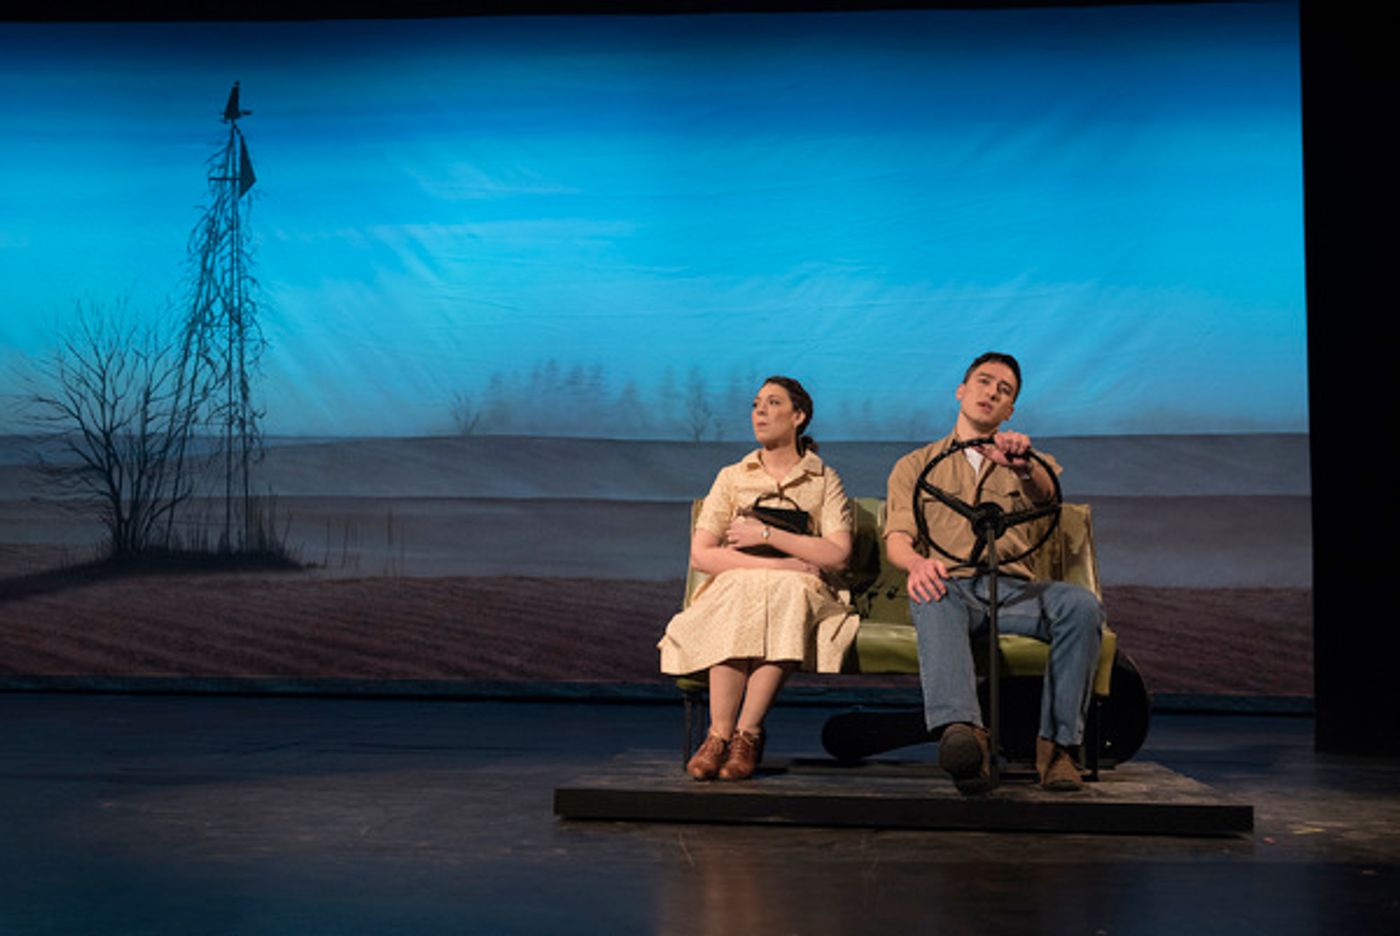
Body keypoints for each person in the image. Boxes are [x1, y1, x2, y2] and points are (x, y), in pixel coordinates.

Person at [884, 352, 1104, 794]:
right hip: (953, 588)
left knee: (1081, 606)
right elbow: (898, 538)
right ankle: (966, 740)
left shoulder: (1029, 463)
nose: (991, 393)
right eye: (984, 382)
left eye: (1004, 391)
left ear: (1010, 411)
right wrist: (917, 563)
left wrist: (1022, 467)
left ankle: (1058, 750)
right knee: (931, 593)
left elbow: (1046, 497)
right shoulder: (915, 465)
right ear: (961, 390)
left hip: (1016, 591)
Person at [659, 376, 856, 782]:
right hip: (748, 581)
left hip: (801, 588)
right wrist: (782, 565)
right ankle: (718, 735)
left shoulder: (823, 479)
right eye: (755, 404)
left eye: (773, 403)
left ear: (798, 416)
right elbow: (702, 553)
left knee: (789, 592)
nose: (760, 411)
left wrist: (768, 535)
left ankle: (746, 734)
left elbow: (838, 553)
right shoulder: (733, 476)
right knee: (742, 589)